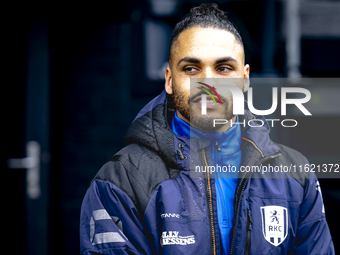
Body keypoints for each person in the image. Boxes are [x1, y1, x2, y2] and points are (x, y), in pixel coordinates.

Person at [80, 3, 334, 254]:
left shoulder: (295, 174)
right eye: (191, 68)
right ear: (169, 79)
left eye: (224, 68)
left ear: (244, 79)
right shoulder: (121, 180)